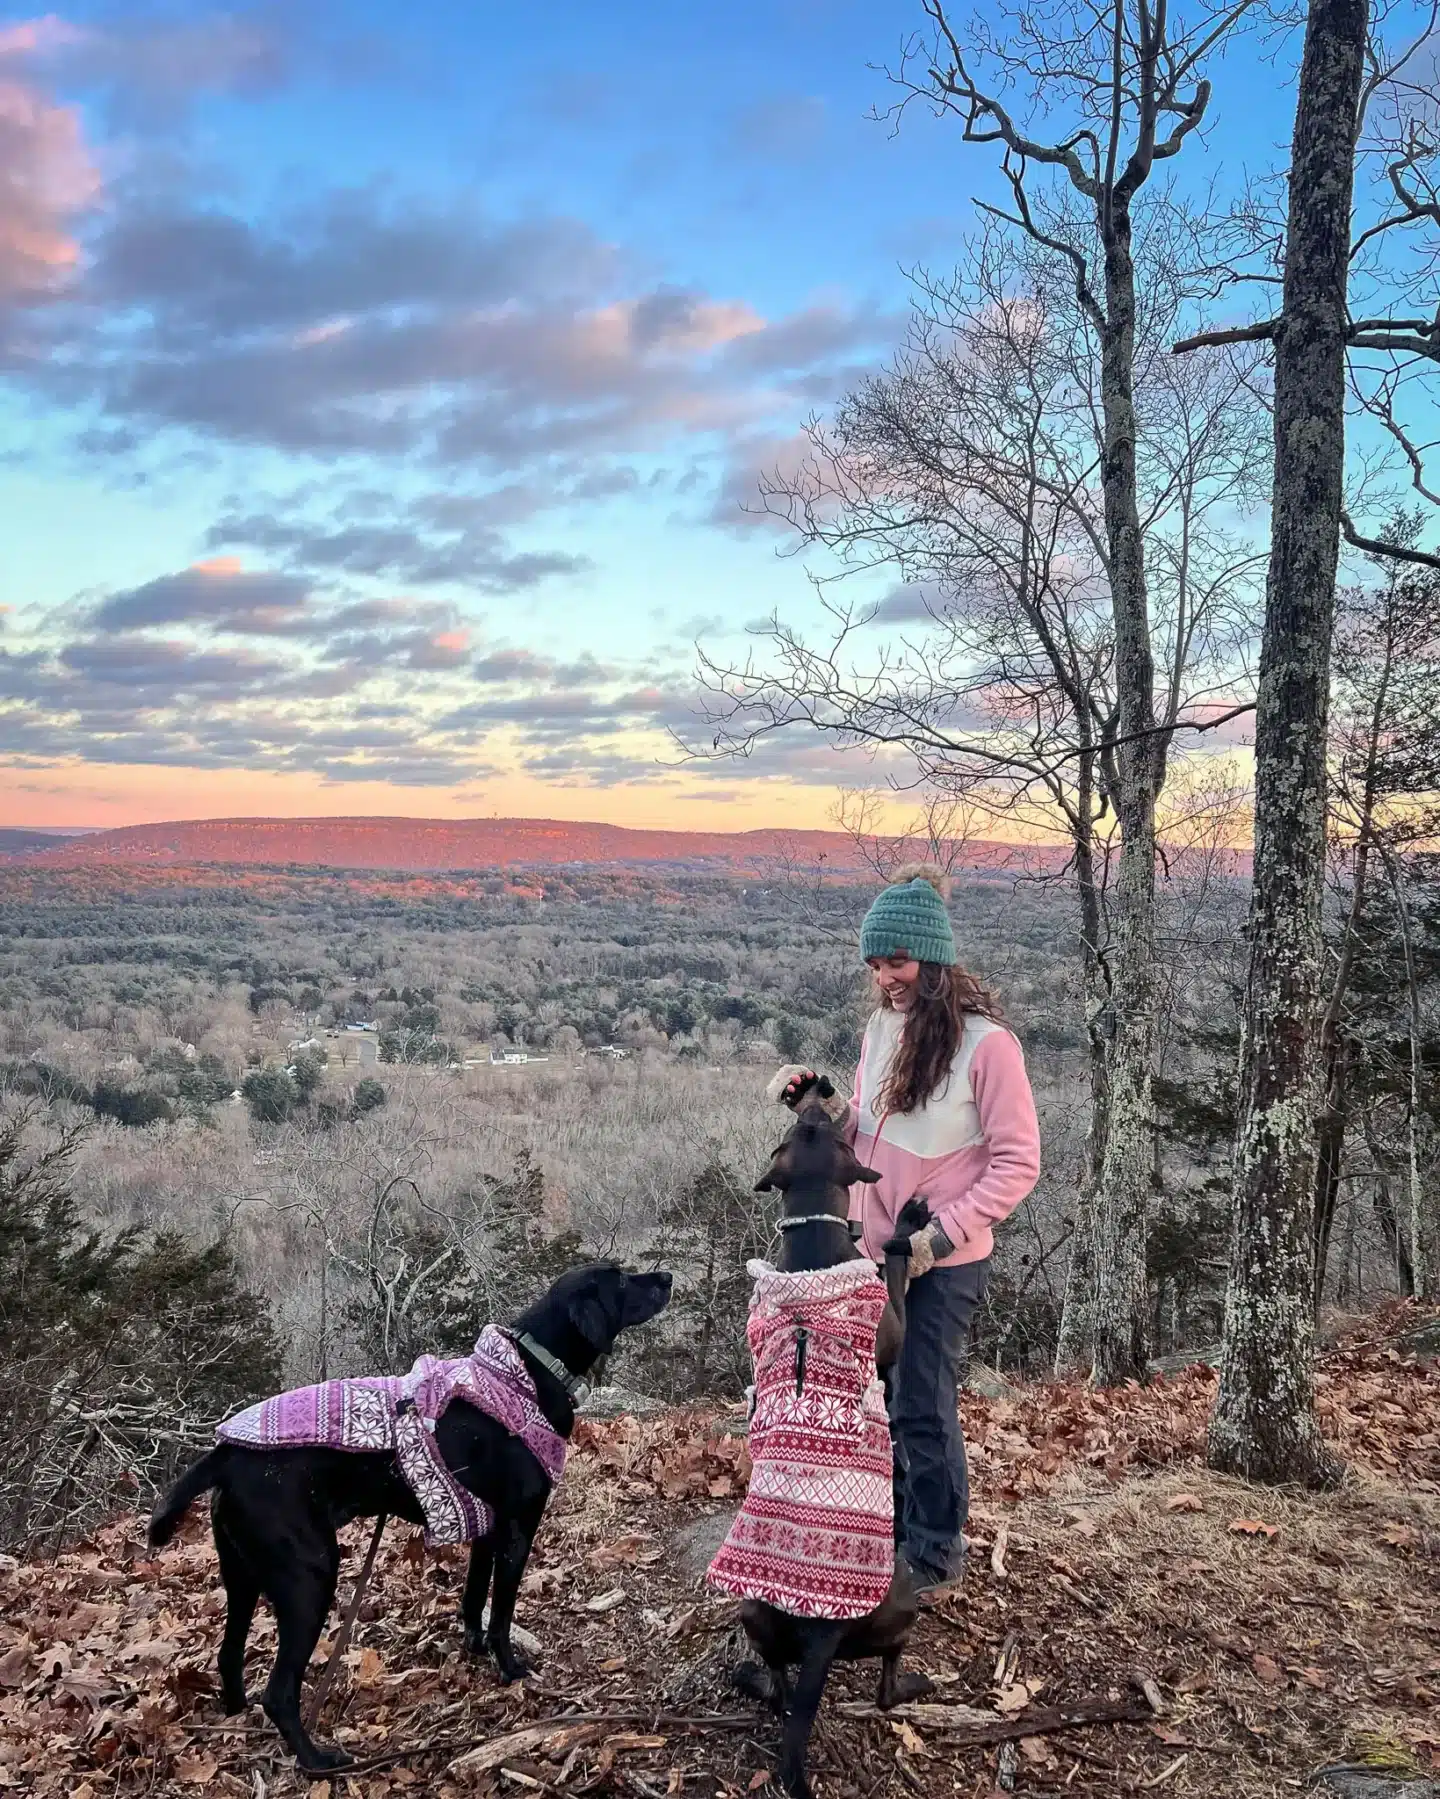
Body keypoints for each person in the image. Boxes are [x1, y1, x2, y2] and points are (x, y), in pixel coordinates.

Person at [769, 864, 1041, 1592]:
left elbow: (1019, 1164)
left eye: (898, 961)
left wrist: (942, 1237)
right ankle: (883, 1528)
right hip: (875, 1250)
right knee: (880, 1396)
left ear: (933, 960)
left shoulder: (989, 1047)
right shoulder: (881, 1029)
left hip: (941, 1259)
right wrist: (817, 1101)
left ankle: (932, 1548)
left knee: (922, 1397)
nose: (886, 976)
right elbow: (865, 1129)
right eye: (876, 964)